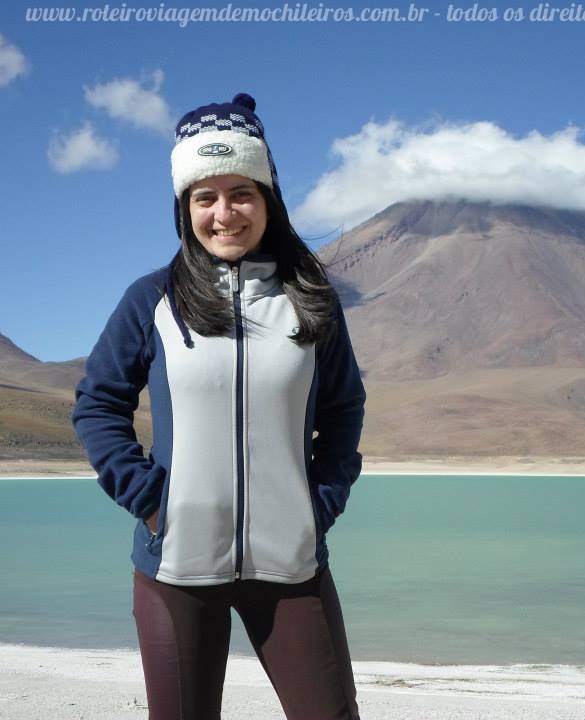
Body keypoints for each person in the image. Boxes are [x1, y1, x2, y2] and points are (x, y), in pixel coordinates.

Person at [71, 92, 365, 720]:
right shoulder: (150, 300)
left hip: (292, 567)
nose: (225, 213)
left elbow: (344, 412)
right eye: (205, 197)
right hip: (175, 567)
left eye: (242, 193)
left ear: (268, 199)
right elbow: (98, 404)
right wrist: (151, 501)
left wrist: (322, 504)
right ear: (185, 208)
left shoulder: (310, 300)